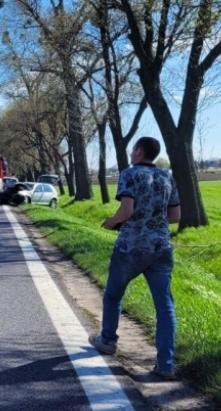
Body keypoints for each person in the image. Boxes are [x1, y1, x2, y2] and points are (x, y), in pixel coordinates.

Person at [89, 137, 181, 380]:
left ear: (139, 151)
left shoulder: (129, 174)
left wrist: (111, 222)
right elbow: (175, 216)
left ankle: (108, 340)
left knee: (113, 294)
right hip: (161, 247)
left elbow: (126, 211)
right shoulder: (167, 176)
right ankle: (166, 364)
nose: (131, 153)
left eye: (133, 149)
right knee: (164, 306)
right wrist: (153, 221)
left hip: (131, 247)